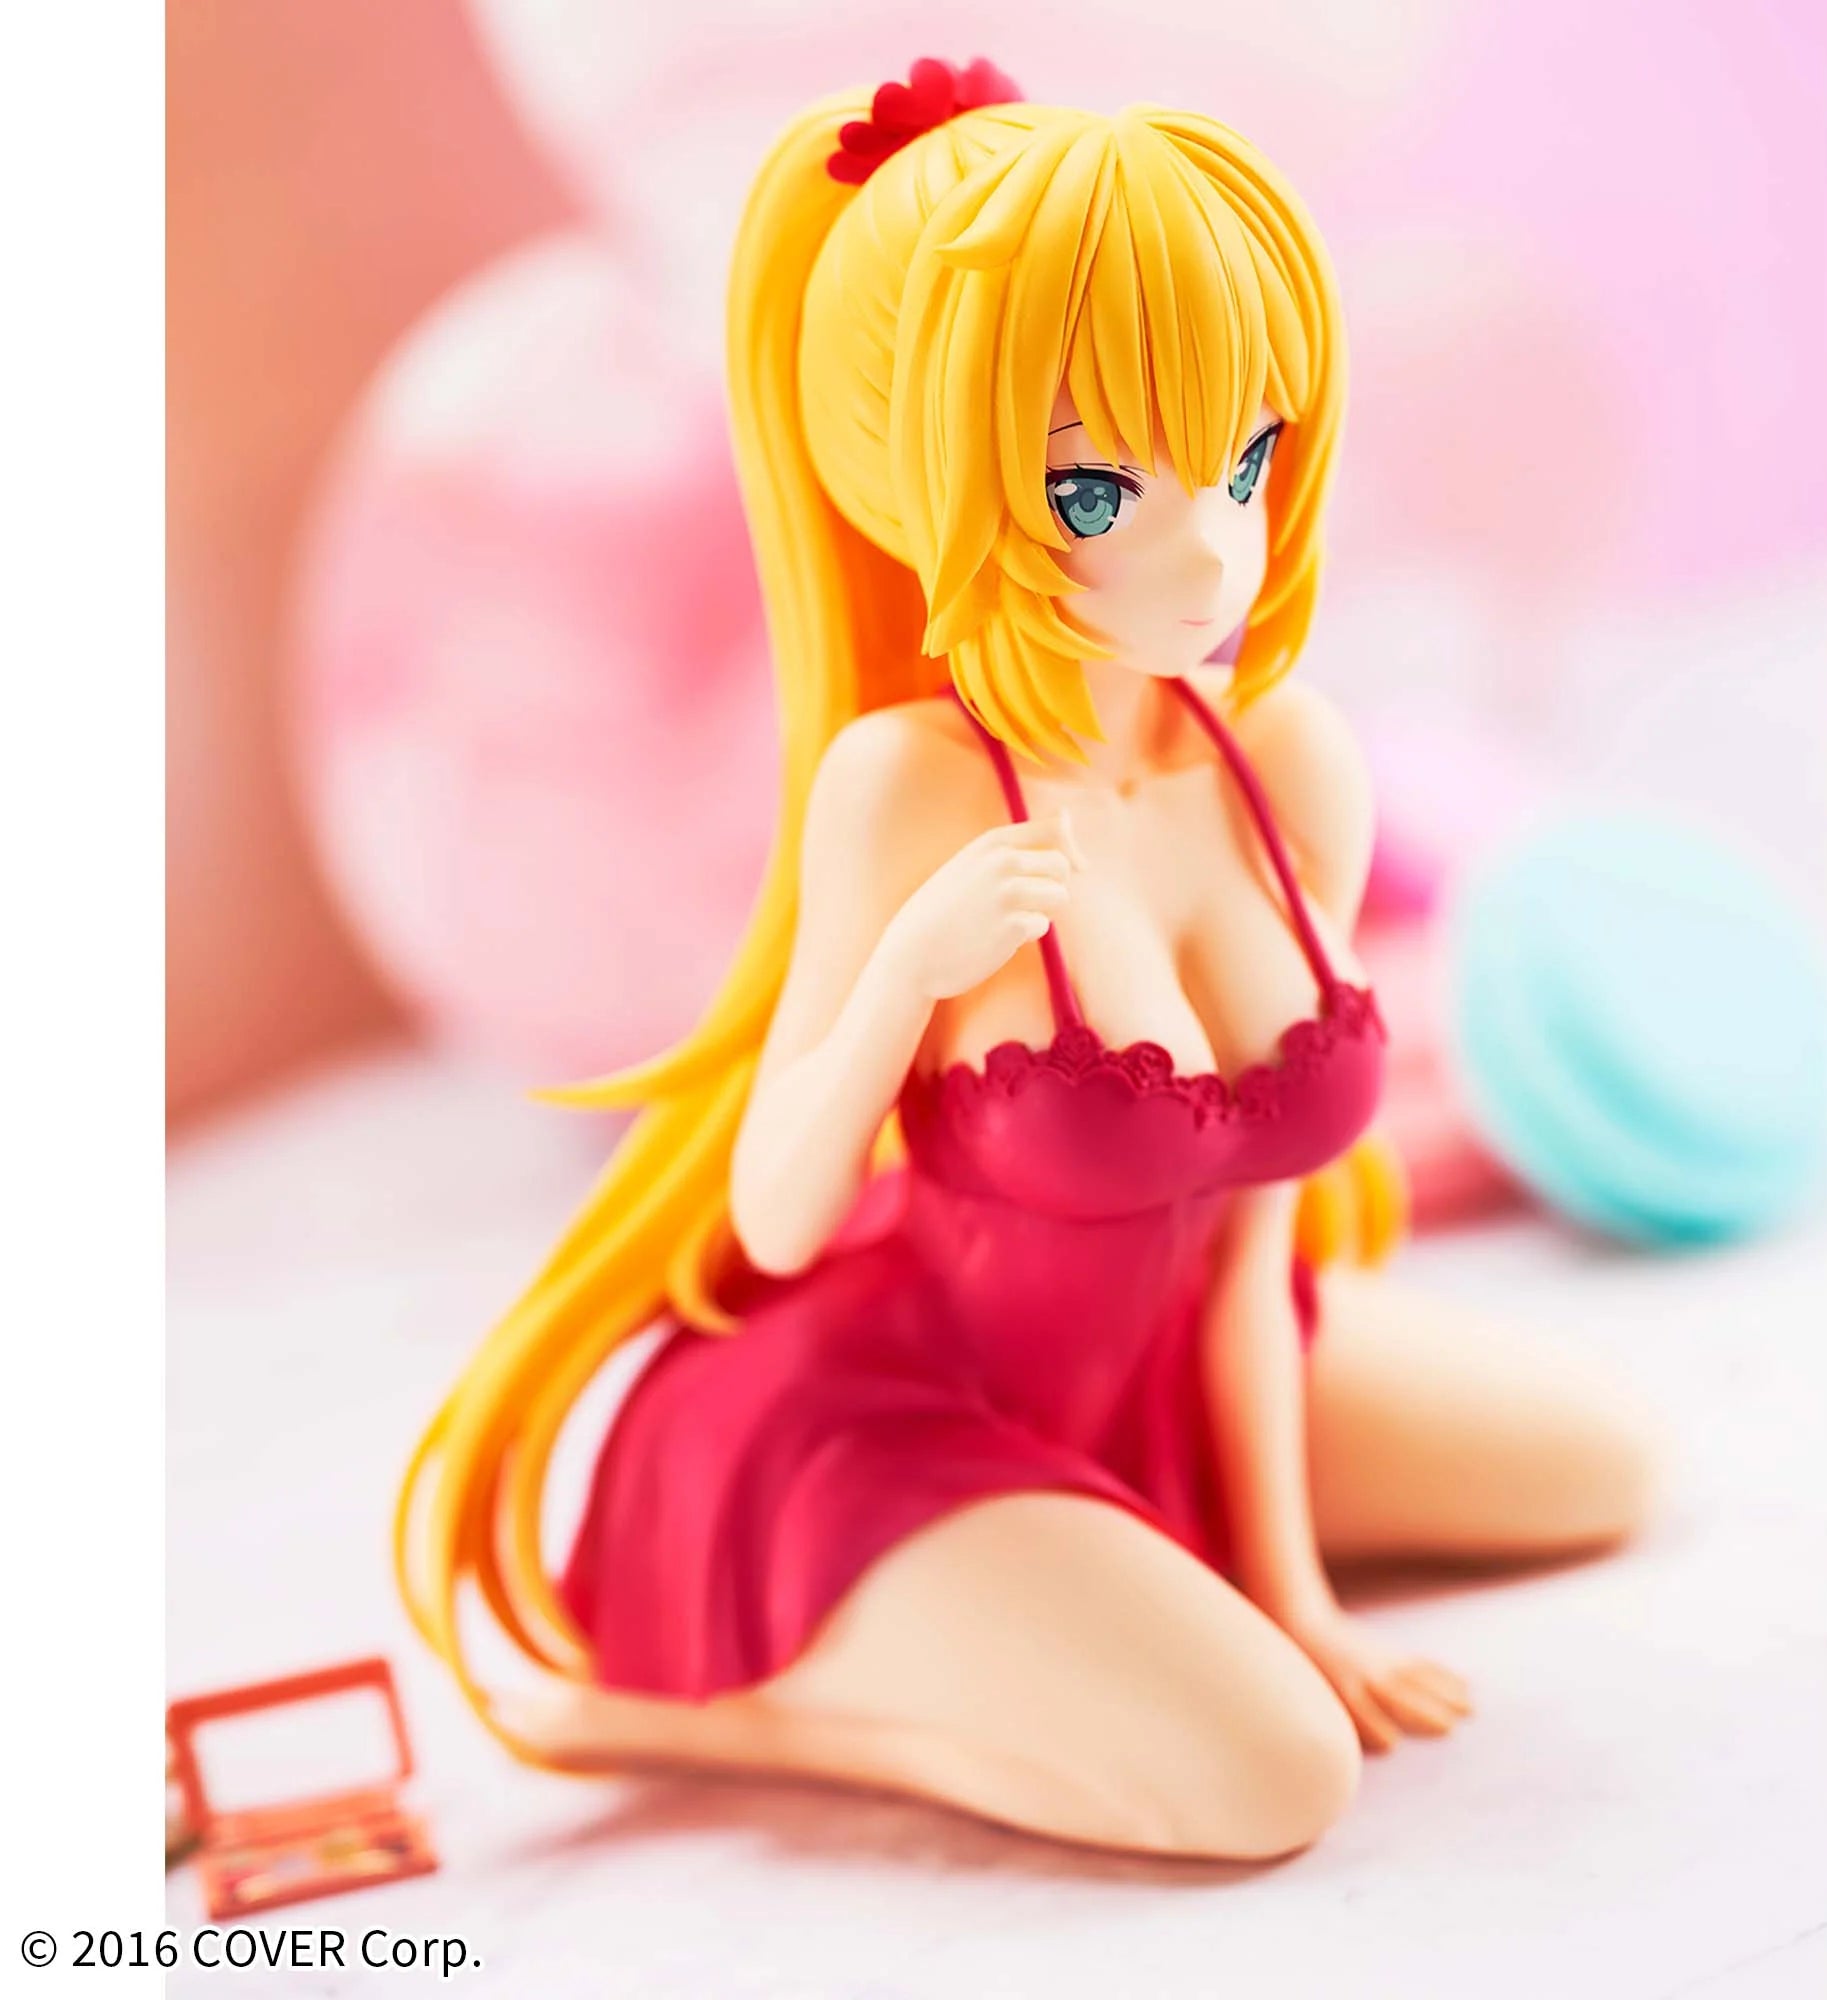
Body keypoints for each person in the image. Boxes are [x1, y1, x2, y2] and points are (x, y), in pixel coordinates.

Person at [396, 59, 1662, 1863]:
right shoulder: (913, 787)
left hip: (1168, 1372)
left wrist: (1291, 1586)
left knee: (1593, 1466)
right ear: (927, 479)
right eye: (1095, 488)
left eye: (1246, 457)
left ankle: (1138, 1564)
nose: (1210, 549)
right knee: (1274, 1778)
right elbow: (776, 1217)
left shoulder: (1281, 761)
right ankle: (725, 1686)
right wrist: (908, 968)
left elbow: (1251, 1246)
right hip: (903, 1419)